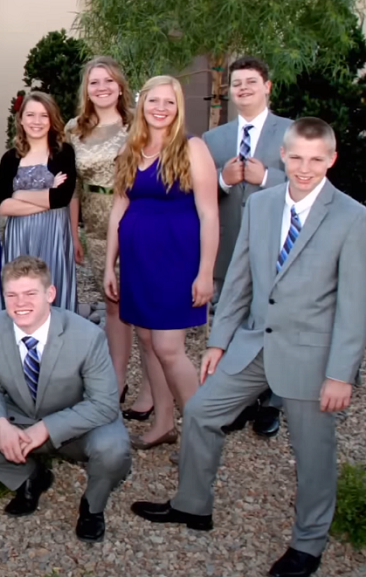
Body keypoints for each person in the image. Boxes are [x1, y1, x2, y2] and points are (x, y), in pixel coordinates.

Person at [132, 118, 366, 577]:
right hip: (253, 343)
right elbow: (239, 278)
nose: (304, 167)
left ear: (332, 160)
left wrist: (341, 373)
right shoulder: (262, 204)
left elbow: (355, 306)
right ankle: (193, 505)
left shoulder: (352, 216)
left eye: (316, 159)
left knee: (313, 454)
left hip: (311, 356)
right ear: (283, 155)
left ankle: (308, 545)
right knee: (201, 412)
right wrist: (219, 341)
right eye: (296, 157)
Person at [0, 256, 130, 543]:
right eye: (12, 295)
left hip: (76, 422)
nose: (20, 303)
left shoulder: (88, 336)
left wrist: (46, 428)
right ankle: (30, 476)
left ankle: (93, 506)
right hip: (20, 414)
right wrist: (0, 424)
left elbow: (104, 404)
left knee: (113, 449)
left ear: (50, 294)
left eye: (30, 293)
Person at [103, 76, 219, 451]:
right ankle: (164, 423)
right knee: (147, 340)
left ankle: (202, 434)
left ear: (178, 107)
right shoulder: (132, 147)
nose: (161, 108)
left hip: (176, 261)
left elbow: (209, 214)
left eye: (169, 102)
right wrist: (109, 265)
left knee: (169, 348)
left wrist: (205, 272)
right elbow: (119, 207)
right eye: (154, 101)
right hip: (138, 263)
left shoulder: (191, 148)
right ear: (142, 104)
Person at [201, 56, 292, 439]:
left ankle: (272, 400)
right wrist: (223, 179)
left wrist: (267, 177)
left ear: (267, 86)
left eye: (251, 82)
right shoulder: (214, 139)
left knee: (275, 322)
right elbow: (202, 193)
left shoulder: (291, 132)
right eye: (237, 83)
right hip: (229, 244)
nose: (243, 89)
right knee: (232, 318)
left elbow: (309, 184)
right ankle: (238, 398)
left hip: (278, 246)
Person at [66, 57, 145, 418]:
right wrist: (74, 233)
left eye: (108, 81)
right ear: (86, 89)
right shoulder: (75, 129)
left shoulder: (137, 124)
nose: (102, 88)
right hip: (96, 229)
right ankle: (117, 379)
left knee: (143, 308)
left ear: (120, 86)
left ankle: (151, 389)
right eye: (94, 82)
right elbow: (73, 187)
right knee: (113, 305)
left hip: (134, 220)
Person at [0, 91, 79, 312]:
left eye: (44, 115)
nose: (37, 121)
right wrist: (47, 194)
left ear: (52, 120)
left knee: (52, 286)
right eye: (31, 115)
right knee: (20, 289)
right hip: (19, 235)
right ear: (21, 119)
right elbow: (3, 206)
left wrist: (19, 195)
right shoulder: (10, 158)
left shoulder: (63, 153)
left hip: (54, 232)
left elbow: (61, 199)